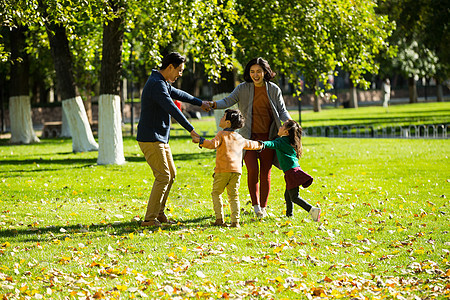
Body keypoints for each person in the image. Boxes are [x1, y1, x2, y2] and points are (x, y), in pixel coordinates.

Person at [209, 57, 291, 219]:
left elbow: (282, 111)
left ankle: (264, 207)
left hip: (268, 139)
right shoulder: (243, 89)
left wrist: (290, 123)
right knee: (252, 169)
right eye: (252, 72)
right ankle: (256, 207)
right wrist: (212, 105)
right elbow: (228, 100)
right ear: (249, 73)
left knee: (265, 172)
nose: (256, 75)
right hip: (247, 138)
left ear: (265, 72)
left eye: (259, 71)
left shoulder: (274, 89)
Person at [137, 52, 211, 227]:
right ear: (170, 67)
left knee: (170, 175)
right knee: (163, 176)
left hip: (159, 138)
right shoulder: (156, 84)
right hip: (151, 138)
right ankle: (149, 219)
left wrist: (200, 102)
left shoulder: (161, 81)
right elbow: (172, 108)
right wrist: (192, 130)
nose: (180, 74)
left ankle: (159, 212)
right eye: (179, 70)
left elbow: (180, 94)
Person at [193, 109, 263, 228]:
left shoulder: (221, 134)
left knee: (216, 193)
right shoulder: (239, 137)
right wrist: (260, 144)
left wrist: (201, 141)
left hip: (222, 171)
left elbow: (212, 144)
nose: (220, 118)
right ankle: (235, 222)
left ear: (228, 123)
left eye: (223, 117)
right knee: (234, 196)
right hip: (236, 171)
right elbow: (250, 144)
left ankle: (219, 219)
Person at [262, 120, 321, 222]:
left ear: (286, 132)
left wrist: (261, 144)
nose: (279, 127)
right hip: (294, 171)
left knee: (294, 197)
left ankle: (312, 210)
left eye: (282, 126)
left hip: (291, 172)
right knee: (288, 195)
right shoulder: (289, 141)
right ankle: (289, 215)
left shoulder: (281, 141)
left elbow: (271, 144)